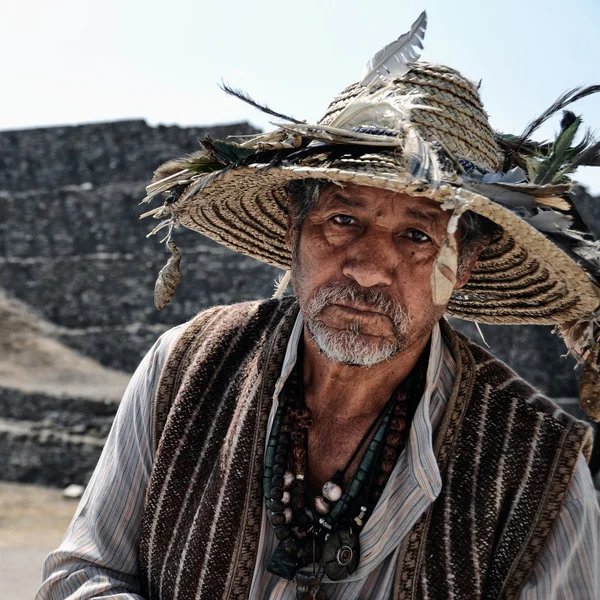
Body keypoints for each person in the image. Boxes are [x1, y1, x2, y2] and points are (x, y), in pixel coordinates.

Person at [38, 12, 599, 600]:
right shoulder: (182, 370)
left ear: (464, 268)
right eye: (342, 219)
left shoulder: (540, 472)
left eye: (416, 236)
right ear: (292, 231)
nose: (367, 268)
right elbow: (83, 575)